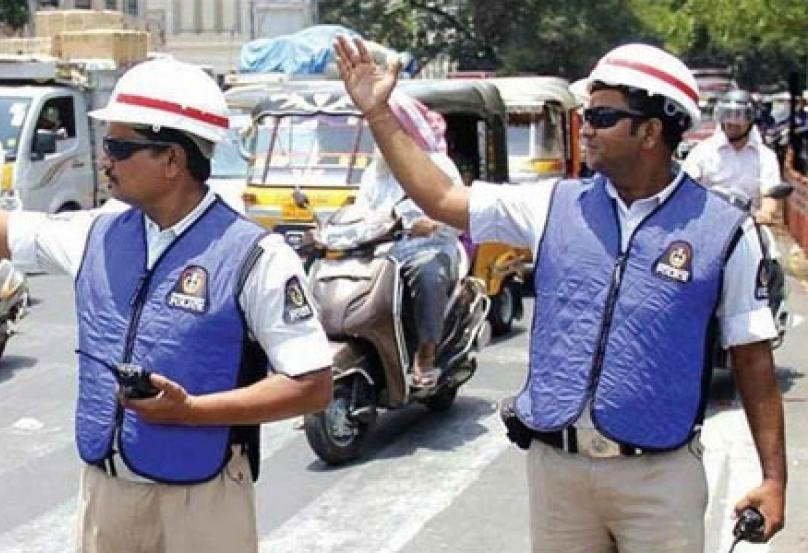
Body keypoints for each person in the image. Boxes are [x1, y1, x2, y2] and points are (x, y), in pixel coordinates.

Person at [0, 41, 332, 552]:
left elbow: (311, 386)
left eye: (118, 147)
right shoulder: (95, 233)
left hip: (204, 502)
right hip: (109, 493)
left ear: (173, 159)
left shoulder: (256, 257)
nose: (103, 159)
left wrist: (193, 411)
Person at [334, 37, 786, 551]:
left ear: (651, 130)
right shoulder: (554, 204)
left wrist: (774, 481)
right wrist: (378, 114)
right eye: (585, 114)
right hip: (559, 474)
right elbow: (440, 197)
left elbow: (752, 359)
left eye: (602, 115)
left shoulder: (725, 231)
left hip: (660, 480)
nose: (585, 126)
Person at [356, 114, 463, 388]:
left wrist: (435, 223)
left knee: (428, 273)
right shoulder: (375, 171)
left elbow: (459, 217)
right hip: (385, 247)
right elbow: (361, 213)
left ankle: (426, 353)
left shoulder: (438, 165)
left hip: (432, 246)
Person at [683, 89, 784, 224]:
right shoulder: (702, 151)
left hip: (749, 227)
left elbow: (770, 194)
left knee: (770, 245)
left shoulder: (766, 157)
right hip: (706, 223)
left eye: (741, 116)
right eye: (727, 115)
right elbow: (685, 187)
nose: (733, 123)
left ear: (751, 119)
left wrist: (766, 213)